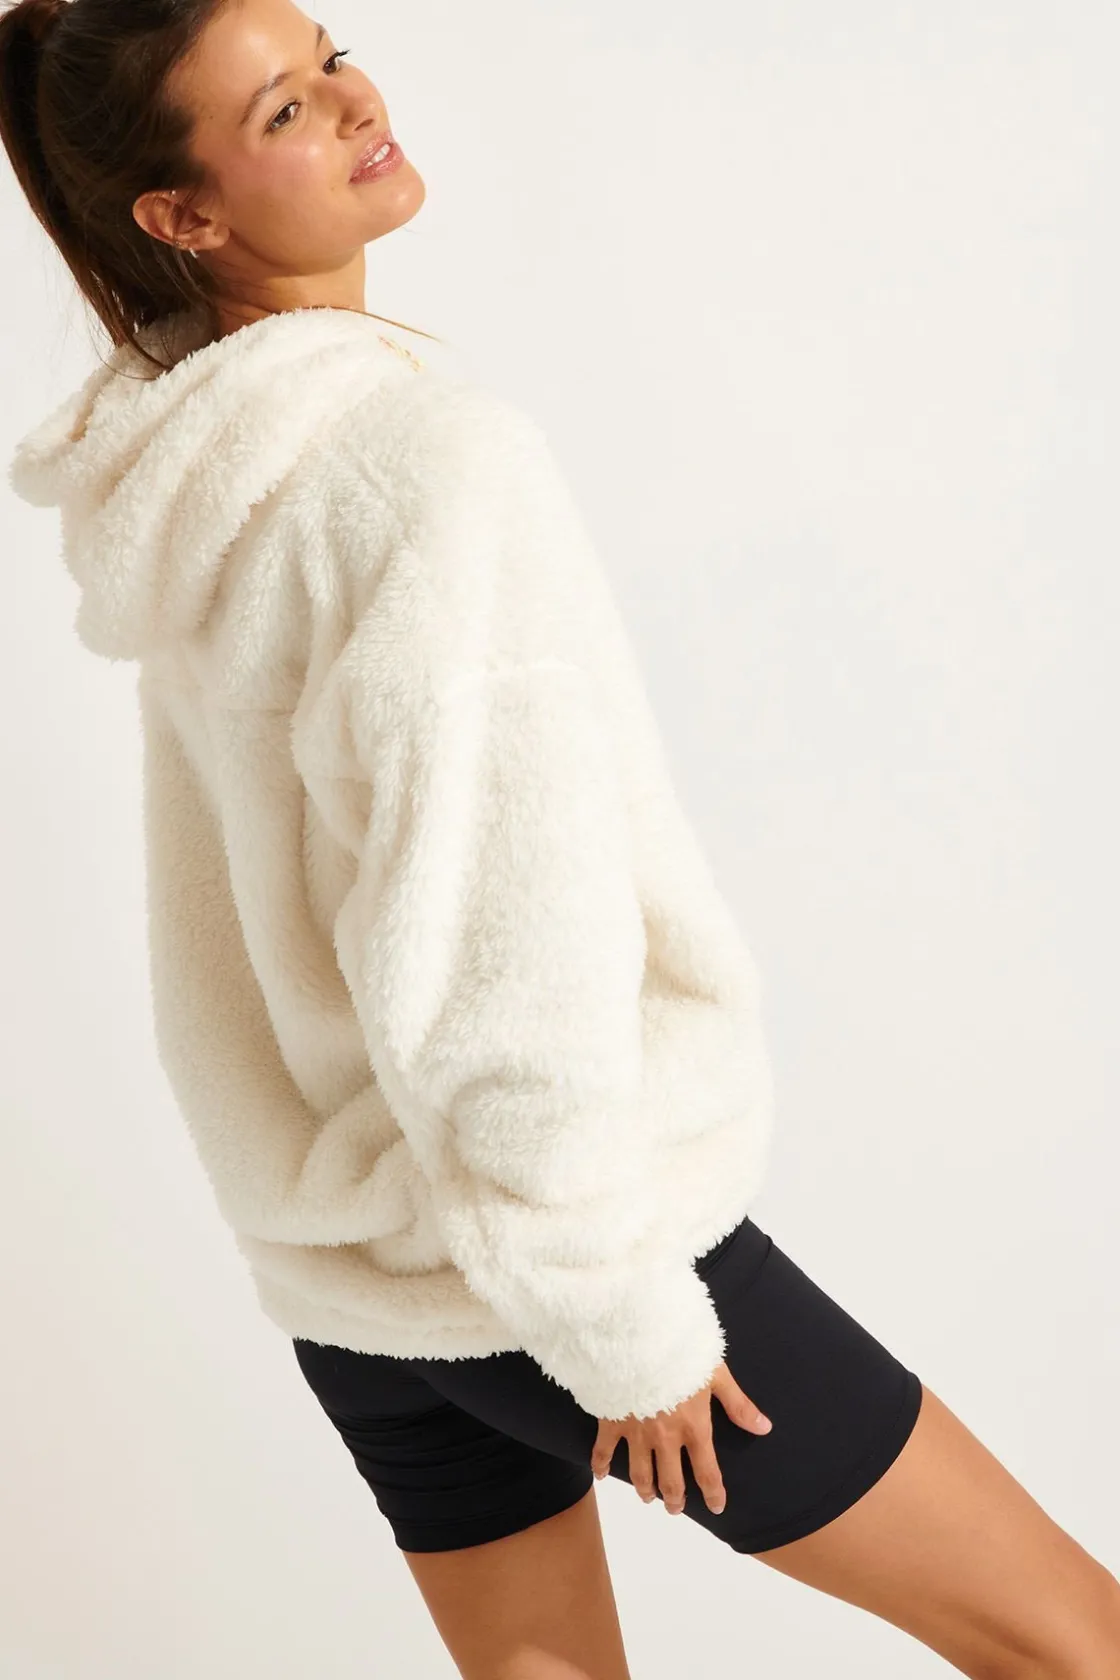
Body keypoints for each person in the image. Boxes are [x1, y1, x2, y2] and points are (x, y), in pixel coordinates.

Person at [2, 0, 1117, 1672]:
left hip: (357, 1285)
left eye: (330, 56)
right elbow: (486, 937)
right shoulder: (417, 462)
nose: (355, 104)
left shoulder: (200, 479)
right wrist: (624, 1321)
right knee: (1074, 1640)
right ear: (183, 213)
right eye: (285, 111)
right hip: (562, 1256)